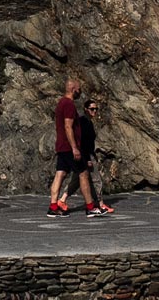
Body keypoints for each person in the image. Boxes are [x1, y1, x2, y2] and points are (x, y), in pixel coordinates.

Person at [48, 76, 107, 216]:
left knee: (60, 174)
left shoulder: (60, 103)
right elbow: (68, 127)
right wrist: (75, 147)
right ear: (73, 89)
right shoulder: (68, 104)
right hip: (69, 147)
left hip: (61, 146)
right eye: (79, 89)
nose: (80, 91)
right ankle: (90, 207)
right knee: (83, 173)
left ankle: (53, 207)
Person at [78, 96, 111, 212]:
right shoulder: (83, 122)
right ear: (86, 109)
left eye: (96, 109)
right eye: (92, 109)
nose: (95, 111)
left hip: (87, 154)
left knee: (77, 180)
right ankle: (100, 203)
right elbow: (83, 142)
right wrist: (87, 158)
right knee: (96, 179)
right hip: (86, 155)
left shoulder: (88, 122)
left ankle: (62, 199)